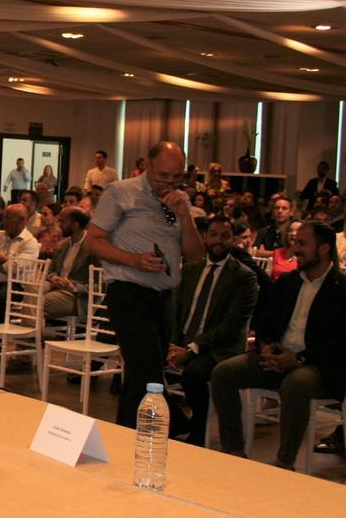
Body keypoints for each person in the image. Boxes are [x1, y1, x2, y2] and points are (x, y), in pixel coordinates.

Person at [87, 141, 204, 428]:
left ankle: (127, 433)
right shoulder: (121, 192)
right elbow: (92, 241)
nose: (168, 183)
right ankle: (175, 423)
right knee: (147, 371)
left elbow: (195, 256)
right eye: (162, 175)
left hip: (163, 295)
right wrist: (133, 260)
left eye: (176, 177)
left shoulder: (180, 201)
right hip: (128, 291)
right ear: (147, 166)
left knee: (143, 374)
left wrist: (185, 216)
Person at [211, 222, 346, 470]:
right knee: (224, 372)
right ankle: (234, 450)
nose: (295, 249)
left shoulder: (341, 287)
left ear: (325, 248)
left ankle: (285, 463)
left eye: (302, 244)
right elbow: (265, 322)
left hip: (319, 366)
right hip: (277, 357)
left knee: (296, 383)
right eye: (295, 243)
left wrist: (299, 359)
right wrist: (265, 346)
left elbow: (340, 344)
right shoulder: (287, 281)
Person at [166, 215, 259, 447]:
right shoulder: (190, 270)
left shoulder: (243, 277)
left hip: (217, 347)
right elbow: (176, 312)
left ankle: (198, 429)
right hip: (184, 341)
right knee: (142, 362)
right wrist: (172, 344)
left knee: (193, 373)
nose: (218, 241)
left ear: (233, 240)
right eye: (214, 235)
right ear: (205, 237)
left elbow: (230, 327)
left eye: (225, 236)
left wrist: (191, 349)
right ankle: (178, 421)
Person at [41, 207, 98, 320]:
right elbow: (50, 271)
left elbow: (100, 286)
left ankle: (35, 334)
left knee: (40, 303)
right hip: (55, 287)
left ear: (75, 225)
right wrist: (53, 278)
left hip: (76, 296)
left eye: (62, 221)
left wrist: (75, 287)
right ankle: (38, 333)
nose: (59, 224)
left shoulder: (93, 248)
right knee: (31, 291)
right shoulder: (62, 245)